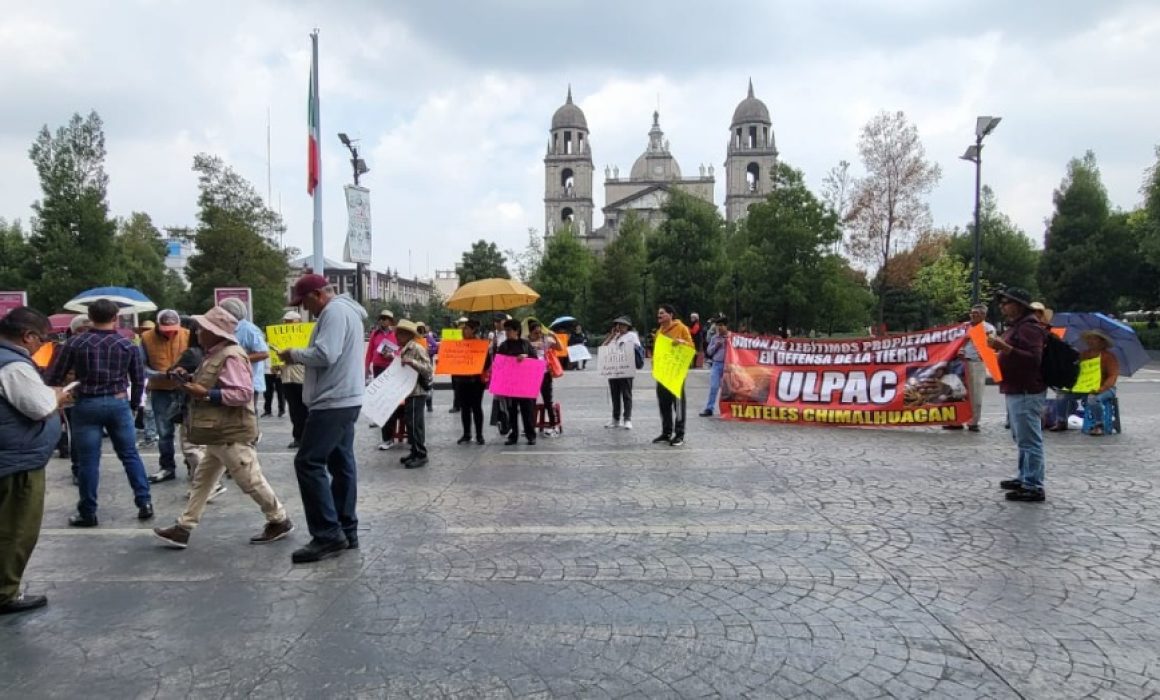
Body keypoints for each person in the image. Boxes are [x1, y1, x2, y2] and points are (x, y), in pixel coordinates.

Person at [152, 306, 293, 548]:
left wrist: (206, 394)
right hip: (218, 432)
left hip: (231, 432)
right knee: (203, 481)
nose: (197, 332)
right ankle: (184, 526)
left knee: (250, 480)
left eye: (202, 328)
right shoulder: (214, 354)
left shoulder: (231, 355)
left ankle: (279, 518)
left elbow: (241, 393)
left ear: (216, 332)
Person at [278, 275, 366, 563]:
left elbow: (325, 354)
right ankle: (345, 530)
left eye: (304, 303)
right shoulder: (347, 311)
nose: (305, 310)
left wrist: (294, 354)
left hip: (333, 400)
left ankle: (328, 534)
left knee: (308, 462)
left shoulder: (334, 312)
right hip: (345, 398)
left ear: (317, 295)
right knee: (341, 463)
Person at [47, 298, 153, 526]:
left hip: (86, 404)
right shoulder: (128, 345)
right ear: (115, 318)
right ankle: (144, 502)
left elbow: (54, 376)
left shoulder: (75, 343)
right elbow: (137, 380)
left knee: (88, 462)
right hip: (118, 402)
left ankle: (88, 512)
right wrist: (134, 405)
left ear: (90, 317)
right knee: (129, 455)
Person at [0, 307, 68, 615]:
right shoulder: (13, 366)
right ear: (27, 336)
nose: (42, 345)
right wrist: (57, 397)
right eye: (42, 339)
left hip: (12, 454)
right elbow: (39, 407)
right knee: (17, 527)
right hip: (17, 460)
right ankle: (5, 592)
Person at [988, 287, 1049, 503]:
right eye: (1002, 303)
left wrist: (1005, 348)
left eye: (1006, 302)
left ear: (1019, 305)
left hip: (1026, 390)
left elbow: (1034, 359)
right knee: (1021, 438)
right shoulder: (1018, 327)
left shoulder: (1029, 328)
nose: (1002, 306)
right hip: (1016, 388)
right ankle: (1024, 477)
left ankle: (1033, 485)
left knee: (1030, 439)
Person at [141, 309, 191, 483]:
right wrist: (161, 374)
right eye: (165, 329)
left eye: (173, 329)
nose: (170, 333)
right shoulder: (146, 338)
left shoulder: (188, 334)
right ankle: (167, 467)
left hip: (185, 388)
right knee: (164, 431)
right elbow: (142, 367)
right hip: (160, 388)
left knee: (190, 431)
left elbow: (197, 359)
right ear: (157, 325)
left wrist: (186, 371)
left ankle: (193, 465)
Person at [1048, 330, 1119, 435]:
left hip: (1106, 388)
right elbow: (1075, 370)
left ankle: (1099, 424)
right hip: (1083, 387)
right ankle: (1061, 421)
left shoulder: (1108, 357)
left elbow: (1113, 376)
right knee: (1061, 395)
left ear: (1102, 342)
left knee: (1093, 399)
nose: (1091, 341)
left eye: (1094, 339)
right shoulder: (1083, 355)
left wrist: (1101, 389)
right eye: (1089, 339)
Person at [218, 298, 269, 421]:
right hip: (231, 381)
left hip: (248, 382)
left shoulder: (248, 329)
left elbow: (263, 353)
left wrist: (236, 359)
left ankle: (251, 439)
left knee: (247, 416)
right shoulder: (225, 328)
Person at [947, 303, 995, 432]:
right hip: (960, 363)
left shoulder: (988, 328)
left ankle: (973, 421)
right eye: (972, 313)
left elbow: (989, 346)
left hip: (976, 363)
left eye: (977, 313)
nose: (973, 315)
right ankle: (956, 420)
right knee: (957, 392)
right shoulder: (963, 326)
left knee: (975, 394)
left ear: (984, 315)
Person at [393, 320, 433, 468]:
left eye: (399, 334)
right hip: (408, 391)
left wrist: (412, 363)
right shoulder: (404, 348)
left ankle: (421, 454)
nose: (396, 336)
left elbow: (428, 369)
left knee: (415, 423)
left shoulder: (417, 348)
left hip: (417, 391)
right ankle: (414, 451)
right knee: (410, 422)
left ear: (407, 335)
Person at [653, 304, 693, 447]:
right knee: (664, 404)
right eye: (658, 313)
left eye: (662, 313)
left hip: (676, 375)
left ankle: (680, 434)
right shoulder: (659, 332)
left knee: (678, 405)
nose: (659, 316)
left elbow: (691, 347)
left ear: (670, 315)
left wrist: (682, 342)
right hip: (663, 374)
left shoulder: (681, 328)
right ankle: (666, 432)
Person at [493, 319, 537, 446]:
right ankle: (513, 435)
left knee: (527, 411)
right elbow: (498, 364)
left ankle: (530, 435)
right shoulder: (503, 346)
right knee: (511, 411)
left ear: (517, 330)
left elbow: (535, 360)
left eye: (509, 330)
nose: (506, 332)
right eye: (505, 330)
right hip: (510, 385)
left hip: (524, 384)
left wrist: (525, 357)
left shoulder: (525, 344)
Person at [366, 310, 403, 451]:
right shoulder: (375, 334)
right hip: (378, 369)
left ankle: (390, 436)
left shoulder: (396, 334)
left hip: (393, 370)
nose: (383, 321)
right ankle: (386, 438)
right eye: (381, 319)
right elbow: (370, 351)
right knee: (381, 401)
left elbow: (401, 350)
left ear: (391, 321)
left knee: (391, 403)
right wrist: (366, 367)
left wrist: (392, 355)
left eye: (386, 319)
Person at [602, 316, 640, 429]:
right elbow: (604, 347)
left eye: (622, 325)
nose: (620, 327)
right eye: (618, 324)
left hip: (626, 370)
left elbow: (637, 348)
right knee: (615, 395)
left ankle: (627, 419)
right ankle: (615, 419)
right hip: (613, 370)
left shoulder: (632, 336)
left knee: (626, 395)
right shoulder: (614, 337)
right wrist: (612, 336)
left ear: (628, 326)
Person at [453, 319, 486, 445]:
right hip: (461, 381)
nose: (464, 330)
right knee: (465, 409)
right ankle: (466, 434)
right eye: (463, 328)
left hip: (476, 382)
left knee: (476, 408)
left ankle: (479, 435)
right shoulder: (458, 344)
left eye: (466, 328)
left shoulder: (480, 345)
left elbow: (487, 362)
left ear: (473, 330)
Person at [526, 319, 561, 437]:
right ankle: (530, 427)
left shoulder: (545, 340)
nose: (538, 335)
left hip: (545, 374)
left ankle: (553, 426)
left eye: (540, 332)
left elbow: (560, 348)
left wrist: (554, 335)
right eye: (536, 333)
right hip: (530, 375)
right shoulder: (525, 342)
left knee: (548, 401)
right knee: (530, 402)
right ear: (530, 333)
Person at [279, 311, 308, 449]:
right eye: (286, 321)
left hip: (301, 376)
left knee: (304, 408)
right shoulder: (280, 337)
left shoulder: (305, 337)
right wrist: (275, 366)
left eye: (290, 321)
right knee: (293, 409)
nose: (287, 324)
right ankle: (298, 437)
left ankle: (307, 437)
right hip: (286, 377)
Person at [700, 316, 730, 417]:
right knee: (714, 387)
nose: (719, 328)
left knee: (728, 389)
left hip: (728, 366)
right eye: (718, 326)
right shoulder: (714, 338)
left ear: (726, 326)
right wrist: (715, 346)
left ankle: (729, 409)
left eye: (721, 326)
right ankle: (709, 408)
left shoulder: (732, 337)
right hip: (716, 364)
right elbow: (708, 351)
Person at [416, 322, 438, 412]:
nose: (420, 330)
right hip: (417, 366)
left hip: (427, 365)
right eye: (418, 329)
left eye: (421, 329)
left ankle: (429, 405)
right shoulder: (414, 339)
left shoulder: (428, 338)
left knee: (428, 385)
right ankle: (419, 405)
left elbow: (435, 347)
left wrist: (429, 351)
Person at [449, 316, 469, 413]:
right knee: (456, 386)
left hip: (466, 365)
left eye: (464, 325)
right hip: (456, 365)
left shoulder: (471, 337)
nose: (462, 327)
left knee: (467, 387)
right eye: (460, 324)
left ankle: (467, 406)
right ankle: (456, 406)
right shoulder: (453, 335)